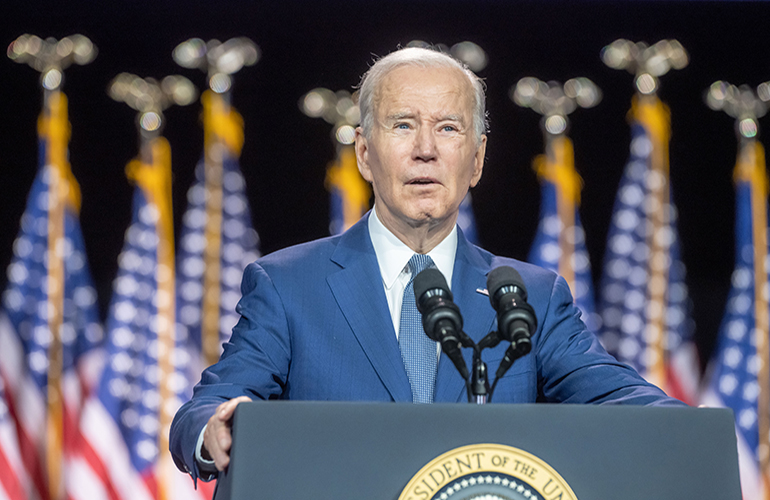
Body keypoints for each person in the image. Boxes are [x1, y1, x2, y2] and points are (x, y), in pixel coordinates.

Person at [169, 46, 685, 482]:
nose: (425, 151)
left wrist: (695, 431)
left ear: (477, 160)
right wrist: (215, 429)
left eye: (447, 128)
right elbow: (203, 412)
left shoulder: (530, 298)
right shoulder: (288, 285)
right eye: (402, 125)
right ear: (365, 154)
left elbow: (619, 397)